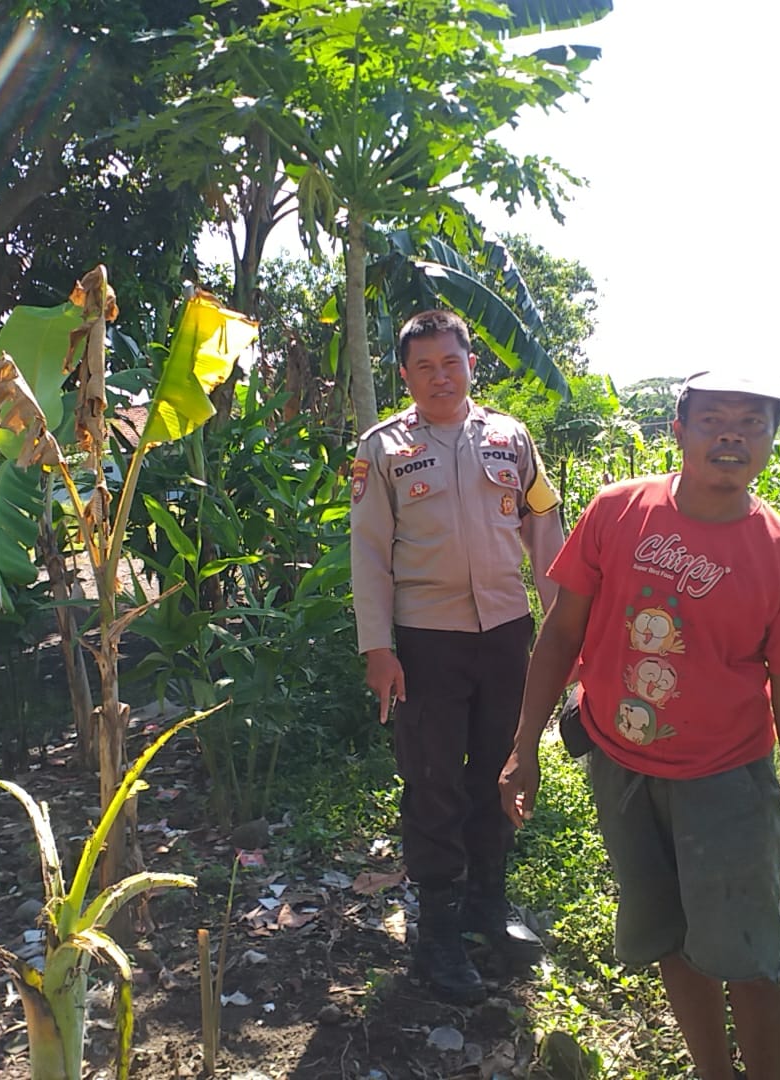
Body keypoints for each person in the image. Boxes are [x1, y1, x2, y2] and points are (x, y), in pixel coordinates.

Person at [499, 371, 780, 1079]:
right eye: (714, 419)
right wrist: (523, 747)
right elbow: (563, 633)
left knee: (748, 959)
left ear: (771, 440)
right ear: (678, 431)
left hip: (726, 784)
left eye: (752, 423)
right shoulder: (617, 512)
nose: (731, 435)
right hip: (622, 768)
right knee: (670, 940)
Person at [350, 309, 565, 1004]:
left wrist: (563, 630)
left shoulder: (511, 439)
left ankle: (487, 909)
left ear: (472, 364)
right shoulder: (382, 449)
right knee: (434, 781)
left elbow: (544, 531)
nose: (439, 377)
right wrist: (377, 647)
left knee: (501, 773)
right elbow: (370, 554)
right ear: (405, 375)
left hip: (507, 635)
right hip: (425, 642)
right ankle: (437, 938)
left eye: (452, 362)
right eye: (424, 367)